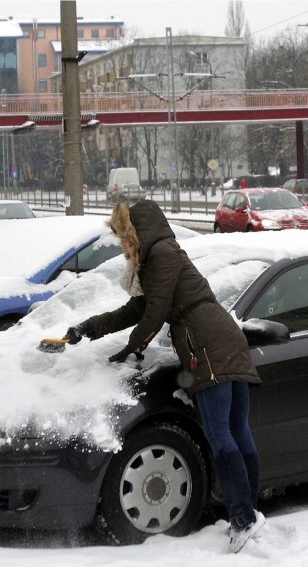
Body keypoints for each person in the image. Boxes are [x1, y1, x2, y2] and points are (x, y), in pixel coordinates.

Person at [65, 200, 266, 553]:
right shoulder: (162, 257)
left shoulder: (161, 254)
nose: (122, 247)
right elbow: (138, 309)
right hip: (222, 336)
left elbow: (156, 312)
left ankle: (243, 518)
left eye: (123, 239)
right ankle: (248, 511)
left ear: (133, 232)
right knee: (237, 431)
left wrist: (133, 347)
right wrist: (88, 328)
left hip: (206, 342)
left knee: (222, 435)